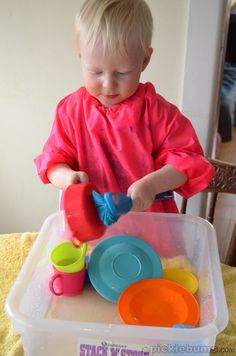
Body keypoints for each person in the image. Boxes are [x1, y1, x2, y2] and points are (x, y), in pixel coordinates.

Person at [34, 0, 215, 214]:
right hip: (92, 225)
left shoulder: (157, 113)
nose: (108, 84)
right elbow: (53, 161)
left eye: (122, 73)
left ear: (144, 60)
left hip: (150, 227)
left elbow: (188, 163)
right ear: (80, 56)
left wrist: (152, 185)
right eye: (96, 72)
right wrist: (67, 178)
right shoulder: (71, 112)